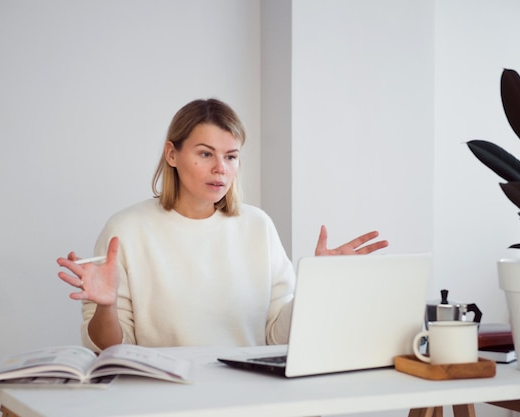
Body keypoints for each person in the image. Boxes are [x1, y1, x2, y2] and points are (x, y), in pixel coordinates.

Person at [57, 98, 388, 353]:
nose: (220, 168)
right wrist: (107, 306)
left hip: (251, 401)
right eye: (205, 154)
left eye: (231, 156)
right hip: (164, 403)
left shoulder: (258, 226)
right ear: (172, 154)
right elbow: (111, 350)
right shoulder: (126, 230)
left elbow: (275, 337)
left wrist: (320, 285)